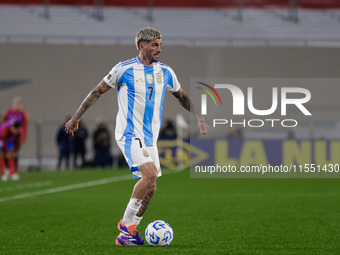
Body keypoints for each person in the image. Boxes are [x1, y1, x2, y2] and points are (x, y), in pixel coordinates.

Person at [65, 27, 209, 246]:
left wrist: (199, 116)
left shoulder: (166, 72)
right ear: (142, 46)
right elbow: (97, 91)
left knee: (152, 188)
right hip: (129, 133)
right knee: (150, 175)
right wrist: (76, 118)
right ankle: (125, 223)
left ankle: (127, 235)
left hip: (149, 138)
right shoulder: (124, 69)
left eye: (160, 44)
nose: (159, 49)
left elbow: (182, 96)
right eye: (154, 45)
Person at [1, 97, 29, 173]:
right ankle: (6, 168)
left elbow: (25, 126)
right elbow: (3, 123)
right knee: (6, 152)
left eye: (19, 104)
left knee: (15, 153)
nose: (17, 106)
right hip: (7, 136)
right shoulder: (8, 112)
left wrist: (23, 137)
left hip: (16, 137)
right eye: (16, 104)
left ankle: (14, 169)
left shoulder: (23, 114)